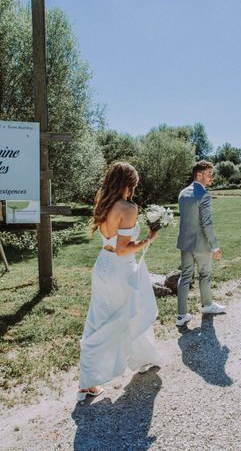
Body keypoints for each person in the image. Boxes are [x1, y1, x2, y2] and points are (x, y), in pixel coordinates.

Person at [77, 162, 163, 401]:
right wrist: (149, 239)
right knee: (127, 315)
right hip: (119, 271)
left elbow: (113, 244)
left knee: (98, 321)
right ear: (130, 184)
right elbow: (123, 249)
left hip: (102, 267)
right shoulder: (128, 208)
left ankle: (87, 383)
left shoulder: (103, 202)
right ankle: (140, 359)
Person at [175, 160, 225, 327]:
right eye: (209, 174)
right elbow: (207, 223)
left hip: (185, 243)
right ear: (199, 174)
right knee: (205, 274)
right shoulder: (204, 195)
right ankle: (207, 305)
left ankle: (181, 315)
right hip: (202, 245)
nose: (212, 177)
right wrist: (215, 246)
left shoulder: (182, 193)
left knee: (185, 277)